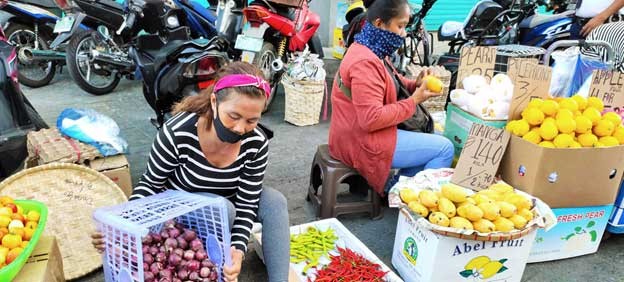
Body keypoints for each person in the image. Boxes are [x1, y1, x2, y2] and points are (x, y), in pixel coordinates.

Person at [91, 62, 290, 282]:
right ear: (214, 102)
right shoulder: (178, 132)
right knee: (225, 209)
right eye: (233, 116)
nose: (240, 128)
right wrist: (123, 225)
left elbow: (247, 203)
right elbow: (150, 184)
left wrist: (238, 249)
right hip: (183, 210)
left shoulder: (256, 143)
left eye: (252, 120)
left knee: (273, 202)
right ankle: (210, 261)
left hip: (230, 203)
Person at [329, 0, 454, 197]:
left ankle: (396, 189)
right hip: (362, 140)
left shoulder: (370, 48)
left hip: (357, 132)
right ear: (380, 24)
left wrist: (416, 83)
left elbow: (390, 81)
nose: (404, 33)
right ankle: (413, 201)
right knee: (444, 149)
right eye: (401, 26)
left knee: (436, 140)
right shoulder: (365, 63)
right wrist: (413, 101)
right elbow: (371, 119)